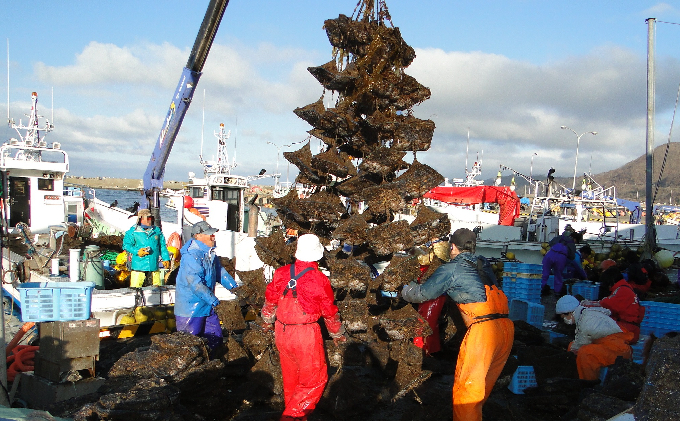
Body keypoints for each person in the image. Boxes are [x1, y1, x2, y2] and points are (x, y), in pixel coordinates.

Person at [401, 228, 514, 421]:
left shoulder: (452, 268)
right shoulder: (483, 263)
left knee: (467, 393)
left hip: (483, 333)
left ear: (452, 247)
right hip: (505, 329)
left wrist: (405, 287)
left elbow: (421, 294)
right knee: (481, 390)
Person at [260, 234, 346, 421]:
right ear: (318, 255)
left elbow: (270, 301)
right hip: (304, 334)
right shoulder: (319, 279)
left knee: (292, 380)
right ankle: (291, 417)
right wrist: (338, 334)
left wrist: (266, 322)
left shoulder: (281, 272)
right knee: (314, 380)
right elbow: (329, 311)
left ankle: (297, 416)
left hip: (281, 331)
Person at [175, 221, 237, 353]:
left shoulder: (210, 254)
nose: (213, 236)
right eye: (210, 234)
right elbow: (196, 284)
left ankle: (215, 365)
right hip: (189, 310)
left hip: (207, 306)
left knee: (216, 338)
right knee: (190, 347)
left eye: (213, 234)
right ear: (198, 236)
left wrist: (236, 289)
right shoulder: (191, 256)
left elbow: (220, 273)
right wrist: (214, 301)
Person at [555, 295, 634, 381]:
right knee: (573, 347)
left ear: (570, 313)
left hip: (618, 350)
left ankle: (589, 383)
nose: (565, 320)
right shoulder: (586, 314)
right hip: (610, 344)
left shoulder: (586, 321)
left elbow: (581, 343)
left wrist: (568, 355)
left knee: (585, 353)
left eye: (564, 317)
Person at [582, 267, 645, 344]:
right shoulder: (625, 287)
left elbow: (605, 304)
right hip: (631, 330)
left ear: (611, 281)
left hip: (626, 331)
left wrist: (586, 304)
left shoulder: (622, 291)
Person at [122, 208, 171, 288]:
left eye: (150, 218)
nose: (148, 221)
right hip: (138, 266)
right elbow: (126, 245)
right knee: (135, 289)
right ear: (140, 219)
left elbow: (162, 246)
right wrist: (137, 251)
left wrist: (165, 258)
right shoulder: (133, 231)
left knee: (157, 289)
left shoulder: (156, 231)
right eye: (146, 219)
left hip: (154, 267)